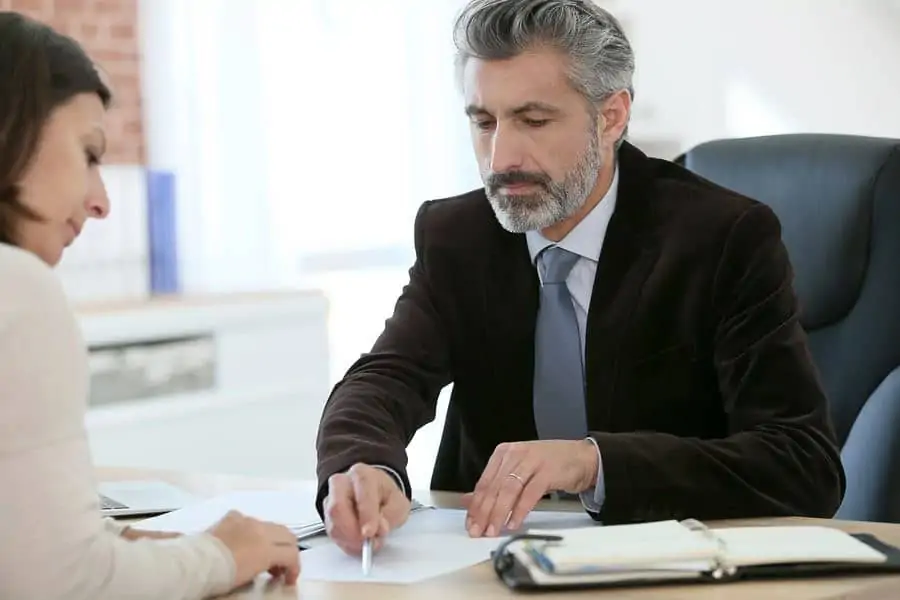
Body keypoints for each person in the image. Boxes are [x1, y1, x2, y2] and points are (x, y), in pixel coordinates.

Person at [315, 0, 846, 556]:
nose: (502, 157)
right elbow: (384, 380)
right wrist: (364, 468)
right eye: (484, 121)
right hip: (491, 562)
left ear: (612, 117)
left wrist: (593, 461)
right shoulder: (457, 235)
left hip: (669, 563)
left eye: (533, 120)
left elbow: (802, 463)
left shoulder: (723, 238)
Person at [0, 12, 300, 600]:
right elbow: (71, 585)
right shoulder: (18, 287)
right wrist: (221, 555)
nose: (100, 202)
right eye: (89, 154)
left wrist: (103, 545)